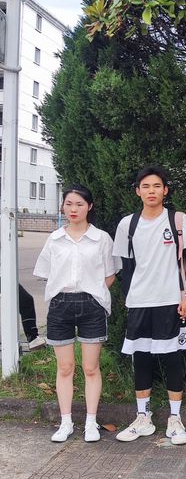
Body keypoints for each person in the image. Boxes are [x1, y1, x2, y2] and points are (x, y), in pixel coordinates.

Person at [113, 166, 186, 445]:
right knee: (141, 358)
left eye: (157, 186)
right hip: (139, 302)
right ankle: (143, 417)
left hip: (171, 301)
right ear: (137, 191)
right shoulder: (127, 224)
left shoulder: (178, 220)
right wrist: (130, 296)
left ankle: (175, 419)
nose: (151, 191)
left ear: (165, 190)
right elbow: (125, 267)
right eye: (146, 186)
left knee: (172, 358)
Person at [33, 185, 119, 442]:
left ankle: (91, 422)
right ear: (63, 206)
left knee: (91, 367)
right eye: (69, 204)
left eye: (79, 204)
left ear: (89, 207)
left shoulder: (101, 238)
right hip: (60, 306)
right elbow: (47, 273)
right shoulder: (55, 239)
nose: (73, 209)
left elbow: (110, 274)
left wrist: (94, 294)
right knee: (65, 367)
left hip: (92, 306)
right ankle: (66, 422)